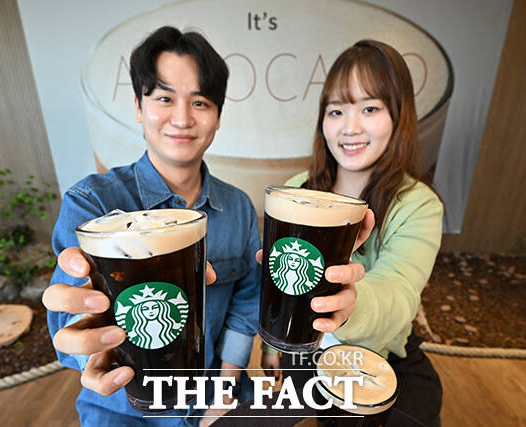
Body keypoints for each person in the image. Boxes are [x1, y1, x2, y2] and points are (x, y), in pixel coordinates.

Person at [43, 26, 374, 427]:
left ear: (218, 118)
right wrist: (86, 341)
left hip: (214, 390)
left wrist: (225, 388)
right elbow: (70, 326)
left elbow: (245, 303)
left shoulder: (237, 206)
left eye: (199, 102)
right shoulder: (91, 204)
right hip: (123, 405)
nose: (182, 118)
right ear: (138, 106)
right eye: (164, 98)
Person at [262, 40, 444, 426]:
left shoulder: (418, 205)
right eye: (336, 110)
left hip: (385, 355)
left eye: (370, 108)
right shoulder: (295, 191)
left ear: (398, 116)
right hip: (305, 351)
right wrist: (272, 350)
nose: (350, 127)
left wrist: (348, 307)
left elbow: (399, 292)